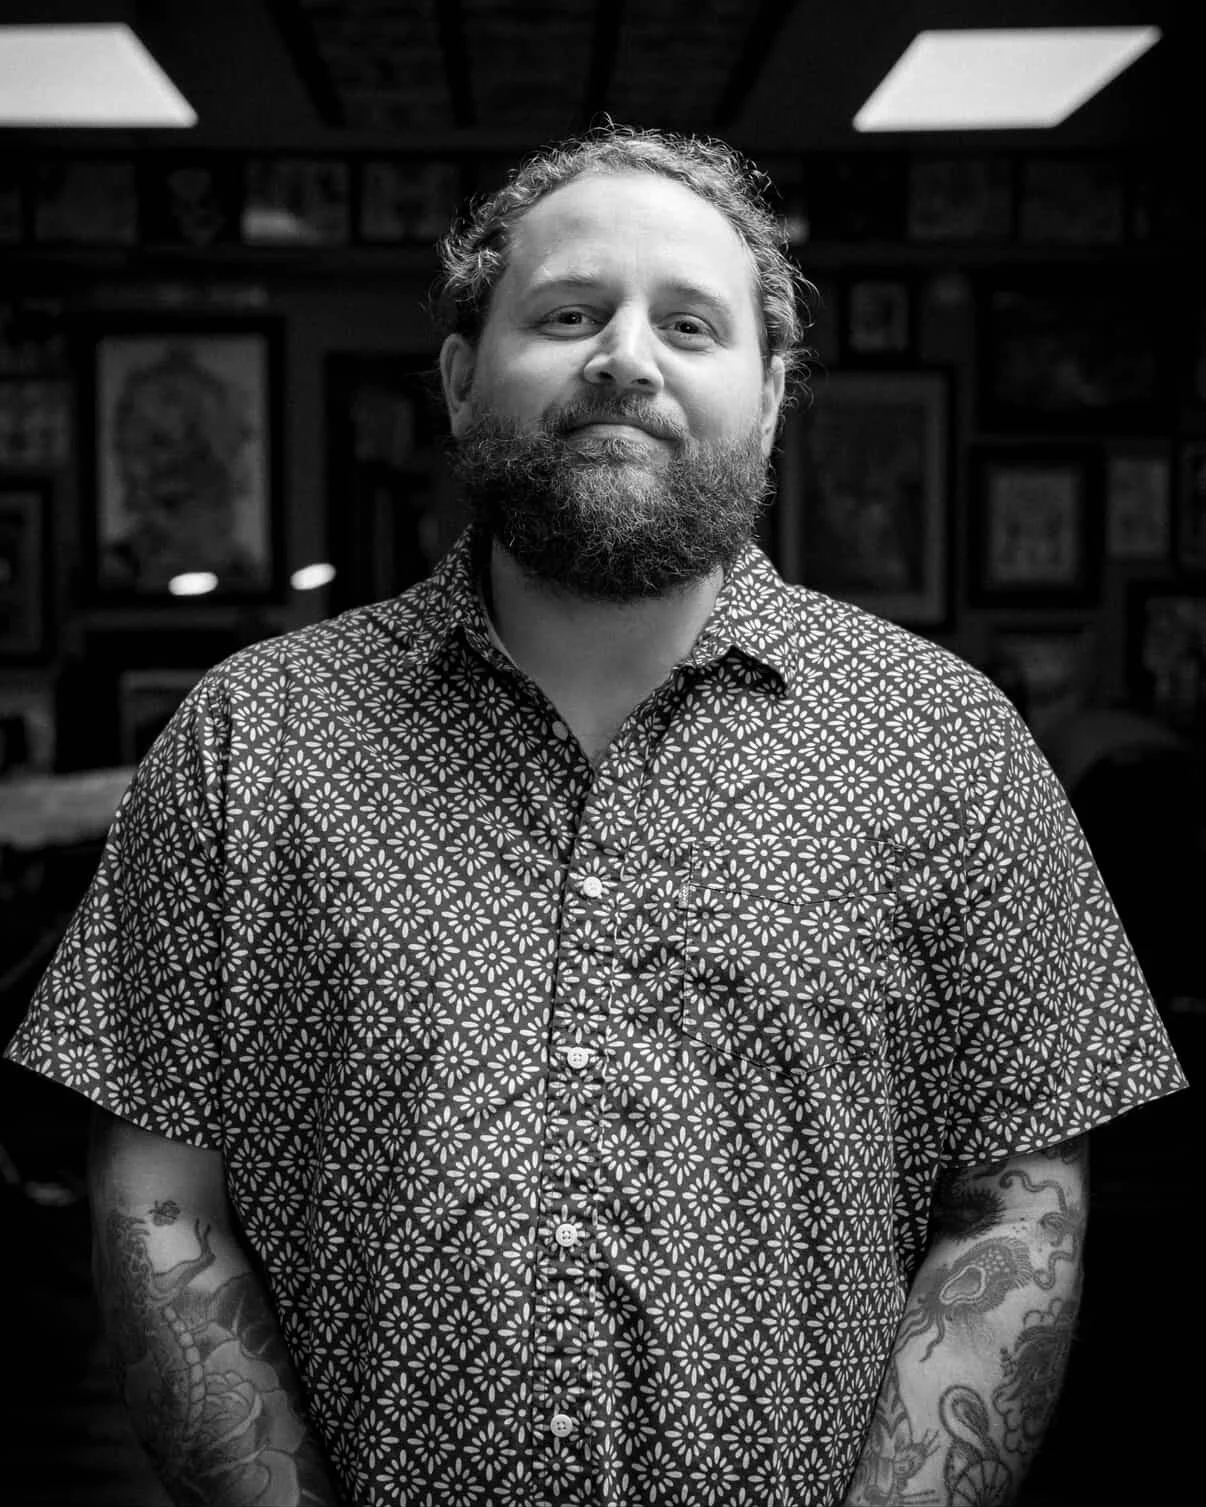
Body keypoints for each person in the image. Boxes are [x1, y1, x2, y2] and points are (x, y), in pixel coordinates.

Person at [4, 123, 1186, 1507]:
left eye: (688, 322)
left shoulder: (953, 751)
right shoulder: (245, 745)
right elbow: (158, 1201)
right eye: (568, 313)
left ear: (771, 392)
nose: (625, 355)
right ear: (460, 374)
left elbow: (1017, 1213)